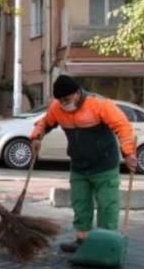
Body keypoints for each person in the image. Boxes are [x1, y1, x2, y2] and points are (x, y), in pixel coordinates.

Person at [30, 74, 137, 253]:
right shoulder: (57, 108)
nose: (64, 104)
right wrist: (36, 137)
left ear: (78, 93)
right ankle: (82, 242)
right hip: (79, 167)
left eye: (67, 99)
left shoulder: (100, 105)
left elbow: (123, 127)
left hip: (104, 166)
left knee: (107, 206)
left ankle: (106, 243)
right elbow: (44, 123)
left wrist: (128, 153)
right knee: (81, 205)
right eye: (61, 101)